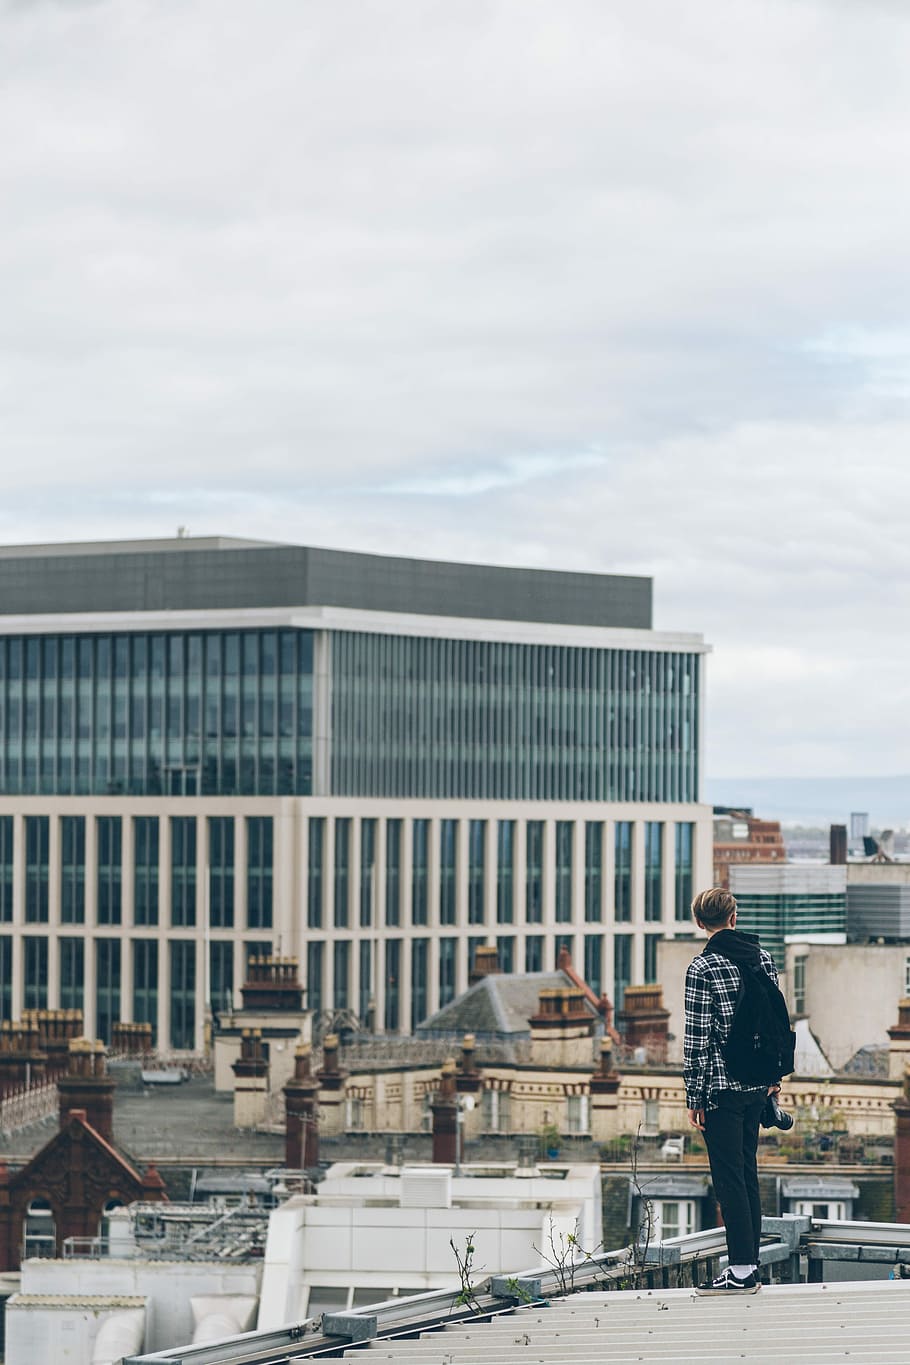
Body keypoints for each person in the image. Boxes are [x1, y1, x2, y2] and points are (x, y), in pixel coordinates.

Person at [683, 887, 781, 1295]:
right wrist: (775, 1081)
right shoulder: (763, 958)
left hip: (721, 1089)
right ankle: (748, 1264)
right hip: (758, 1084)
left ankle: (741, 1270)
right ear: (734, 917)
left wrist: (694, 1098)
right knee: (748, 1174)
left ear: (699, 923)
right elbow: (778, 1022)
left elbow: (696, 1039)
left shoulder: (702, 967)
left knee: (729, 1180)